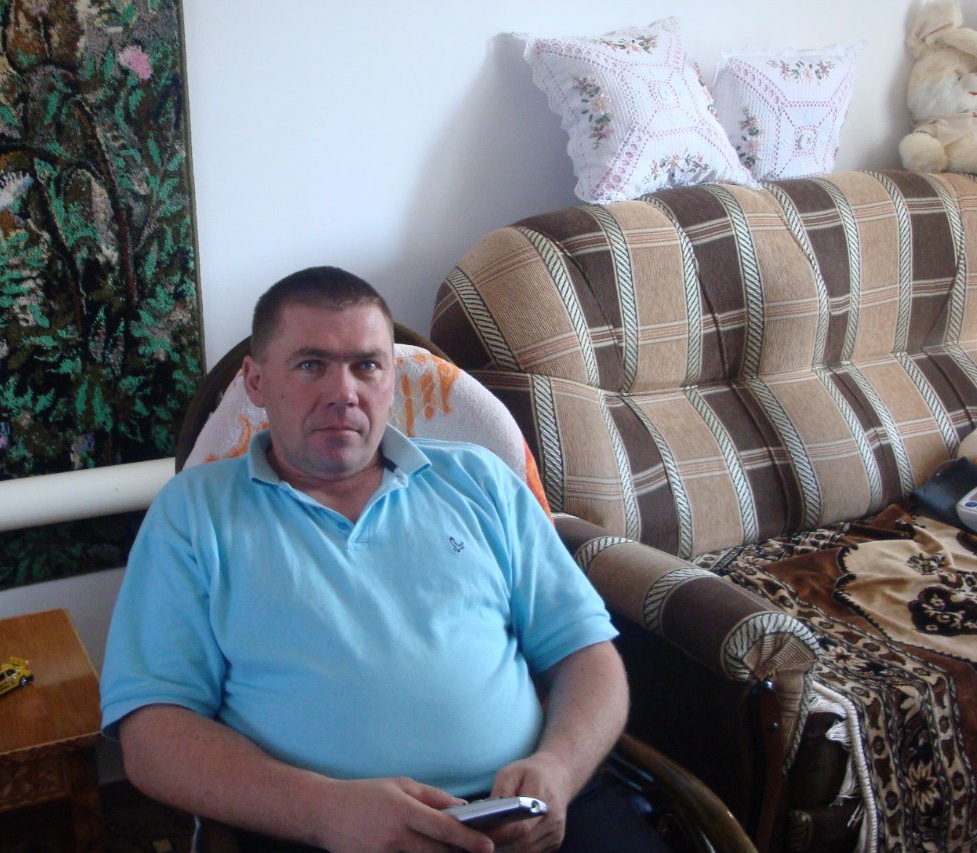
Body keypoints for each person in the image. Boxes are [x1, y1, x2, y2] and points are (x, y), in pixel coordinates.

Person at [100, 267, 661, 853]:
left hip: (525, 817)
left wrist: (559, 770)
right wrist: (322, 811)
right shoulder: (194, 512)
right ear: (256, 382)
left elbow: (587, 655)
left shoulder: (480, 480)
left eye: (366, 365)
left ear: (392, 380)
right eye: (311, 364)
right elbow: (152, 734)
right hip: (319, 831)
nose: (343, 392)